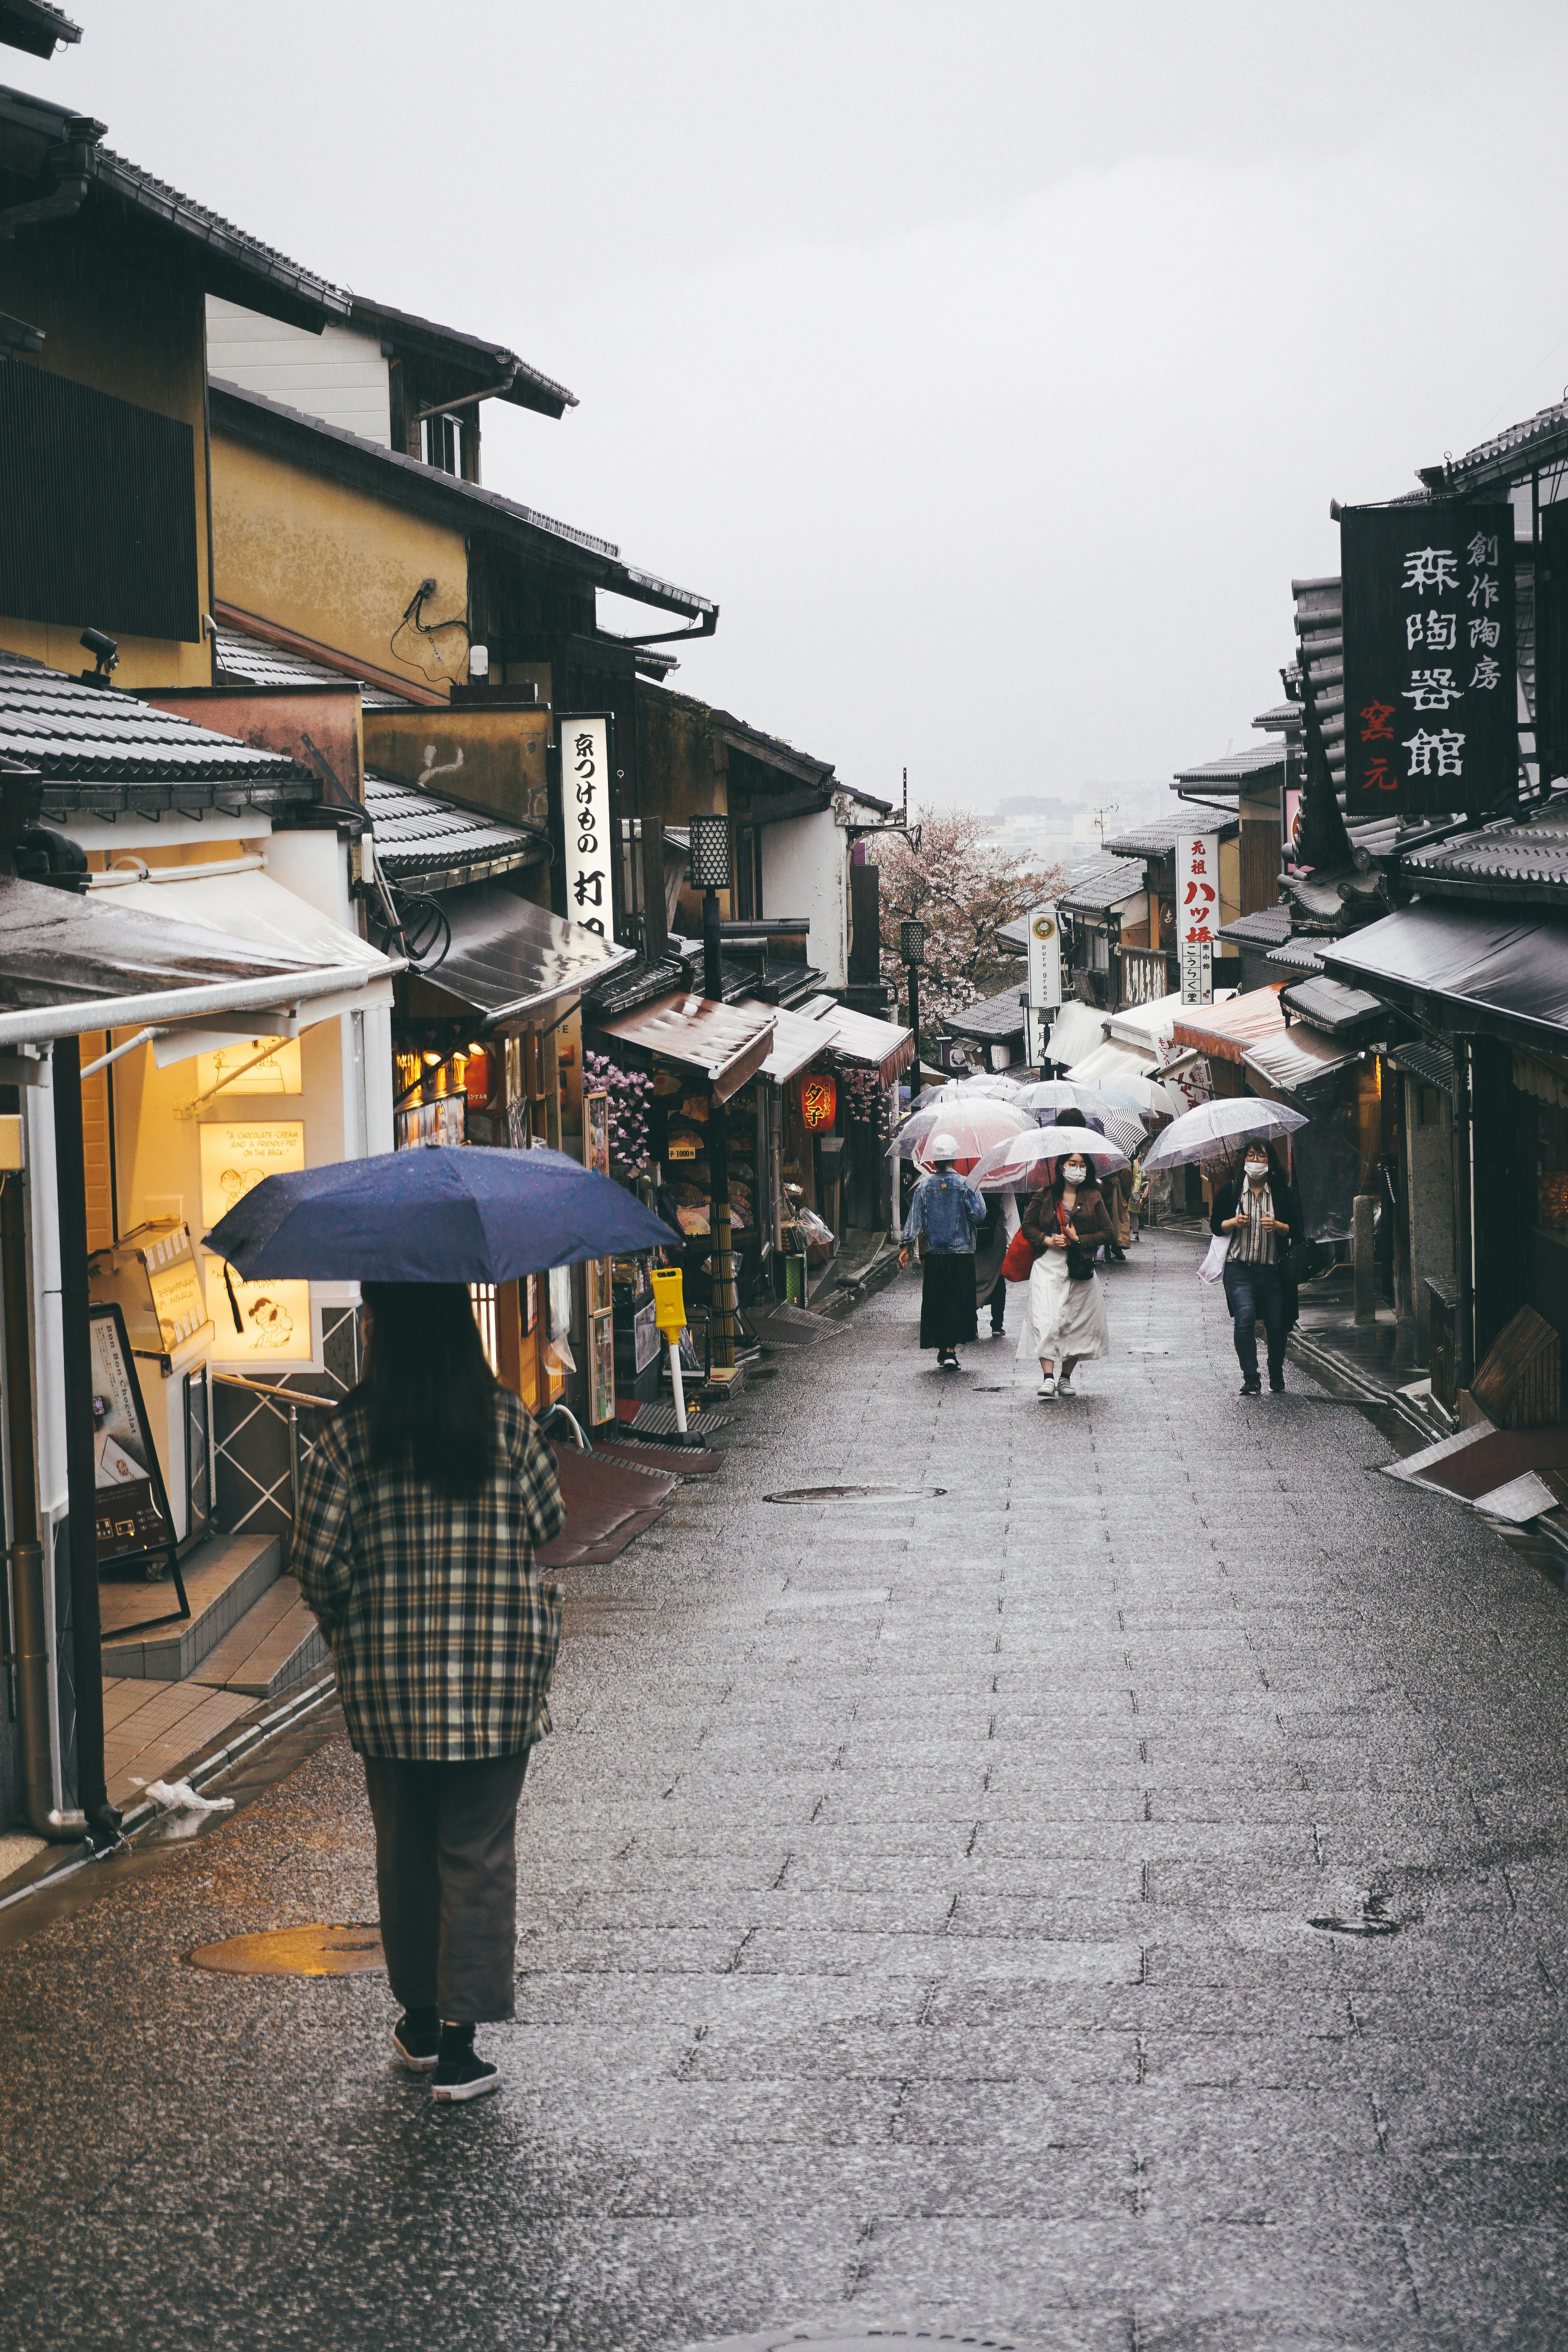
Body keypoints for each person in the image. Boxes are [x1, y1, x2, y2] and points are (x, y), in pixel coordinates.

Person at [292, 1281, 566, 2104]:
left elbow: (316, 1563)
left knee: (404, 1849)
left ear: (380, 1327)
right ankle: (459, 2046)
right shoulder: (506, 1418)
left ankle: (417, 2019)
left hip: (388, 1685)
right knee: (475, 1854)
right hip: (497, 1677)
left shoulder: (347, 1433)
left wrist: (356, 1623)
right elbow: (547, 1523)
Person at [1017, 1147, 1116, 1399]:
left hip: (1079, 1268)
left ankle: (1066, 1378)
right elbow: (1027, 1227)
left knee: (1075, 1324)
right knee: (1045, 1320)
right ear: (1062, 1166)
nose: (1078, 1169)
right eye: (1073, 1163)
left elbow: (1109, 1233)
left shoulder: (1094, 1196)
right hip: (1048, 1266)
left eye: (1082, 1165)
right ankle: (1047, 1378)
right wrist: (1047, 1239)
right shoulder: (1046, 1195)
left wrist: (1078, 1238)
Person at [1211, 1139, 1305, 1395]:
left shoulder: (1282, 1194)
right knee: (1245, 1316)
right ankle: (1251, 1376)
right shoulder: (1231, 1191)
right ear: (1244, 1161)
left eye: (1261, 1156)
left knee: (1276, 1324)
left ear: (1270, 1162)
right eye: (1250, 1156)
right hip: (1239, 1269)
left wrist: (1279, 1227)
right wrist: (1233, 1222)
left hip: (1274, 1271)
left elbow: (1298, 1229)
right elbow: (1215, 1225)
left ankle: (1275, 1368)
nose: (1255, 1161)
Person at [898, 1131, 987, 1369]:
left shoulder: (924, 1187)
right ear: (955, 1158)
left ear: (934, 1161)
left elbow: (914, 1220)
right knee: (958, 1300)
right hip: (962, 1255)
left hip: (936, 1254)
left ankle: (944, 1349)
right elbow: (979, 1214)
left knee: (938, 1300)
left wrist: (906, 1247)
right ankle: (950, 1350)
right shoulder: (967, 1184)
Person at [974, 1189, 1010, 1338]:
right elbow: (1010, 1213)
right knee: (997, 1278)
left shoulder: (967, 1181)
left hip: (972, 1236)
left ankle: (972, 1325)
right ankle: (997, 1325)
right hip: (996, 1236)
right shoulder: (1003, 1181)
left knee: (971, 1278)